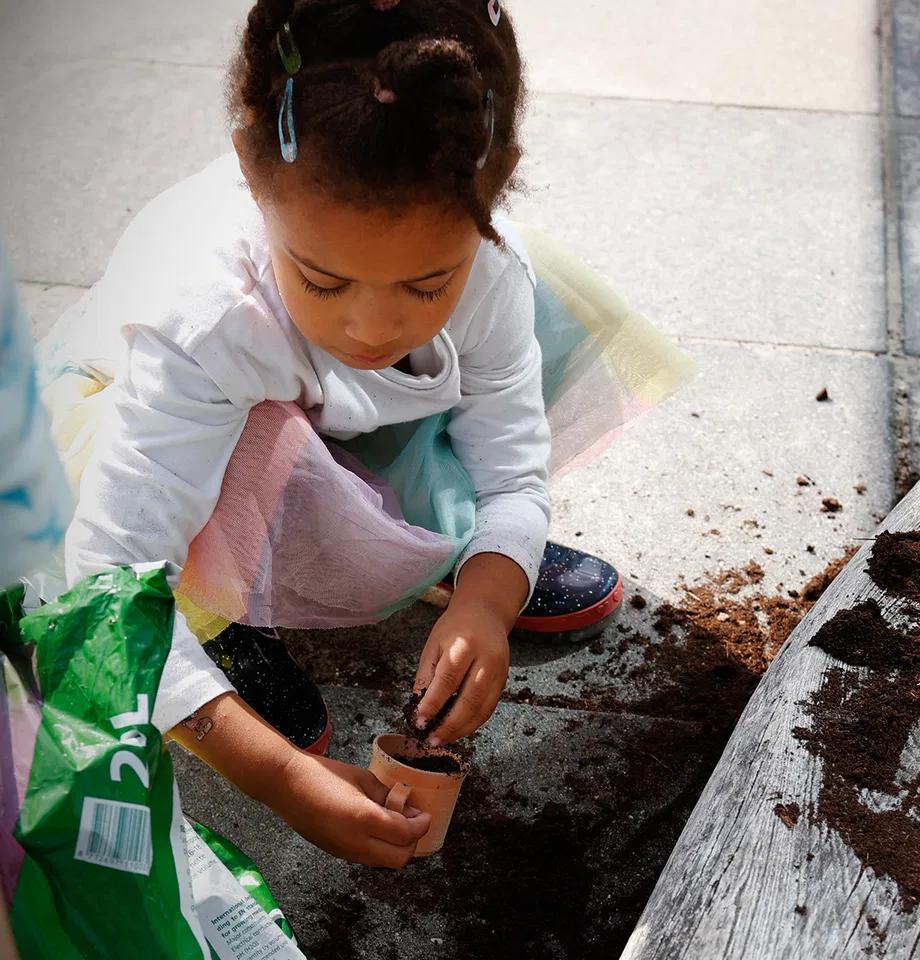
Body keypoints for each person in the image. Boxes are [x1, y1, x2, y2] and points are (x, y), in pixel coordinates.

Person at [37, 0, 685, 869]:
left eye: (428, 282)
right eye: (322, 278)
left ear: (497, 182)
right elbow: (109, 581)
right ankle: (224, 620)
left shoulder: (488, 270)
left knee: (536, 303)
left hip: (335, 417)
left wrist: (488, 594)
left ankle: (438, 551)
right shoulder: (206, 320)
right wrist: (273, 777)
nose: (374, 325)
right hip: (161, 429)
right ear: (247, 169)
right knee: (258, 449)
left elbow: (512, 462)